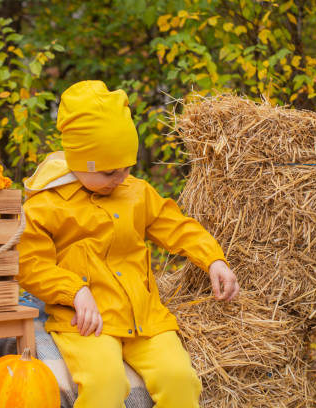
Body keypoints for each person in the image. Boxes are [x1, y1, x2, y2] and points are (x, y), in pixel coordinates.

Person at [16, 80, 239, 408]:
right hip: (87, 324)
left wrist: (213, 259)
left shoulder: (135, 192)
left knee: (180, 380)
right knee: (105, 385)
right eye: (109, 173)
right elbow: (29, 264)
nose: (120, 178)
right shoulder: (44, 205)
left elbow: (176, 226)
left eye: (126, 167)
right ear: (79, 161)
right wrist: (73, 290)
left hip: (145, 319)